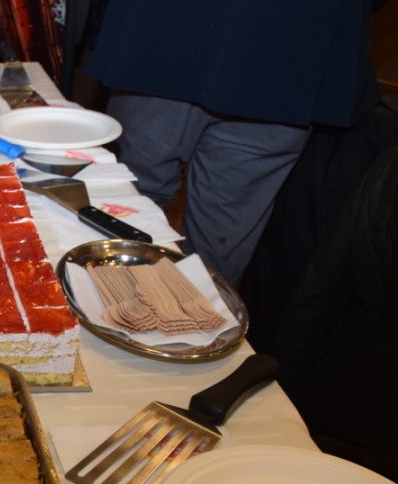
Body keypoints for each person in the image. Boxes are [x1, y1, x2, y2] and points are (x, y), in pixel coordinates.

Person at [85, 0, 382, 289]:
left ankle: (108, 311)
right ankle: (192, 318)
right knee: (219, 238)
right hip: (294, 49)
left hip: (169, 32)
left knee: (128, 199)